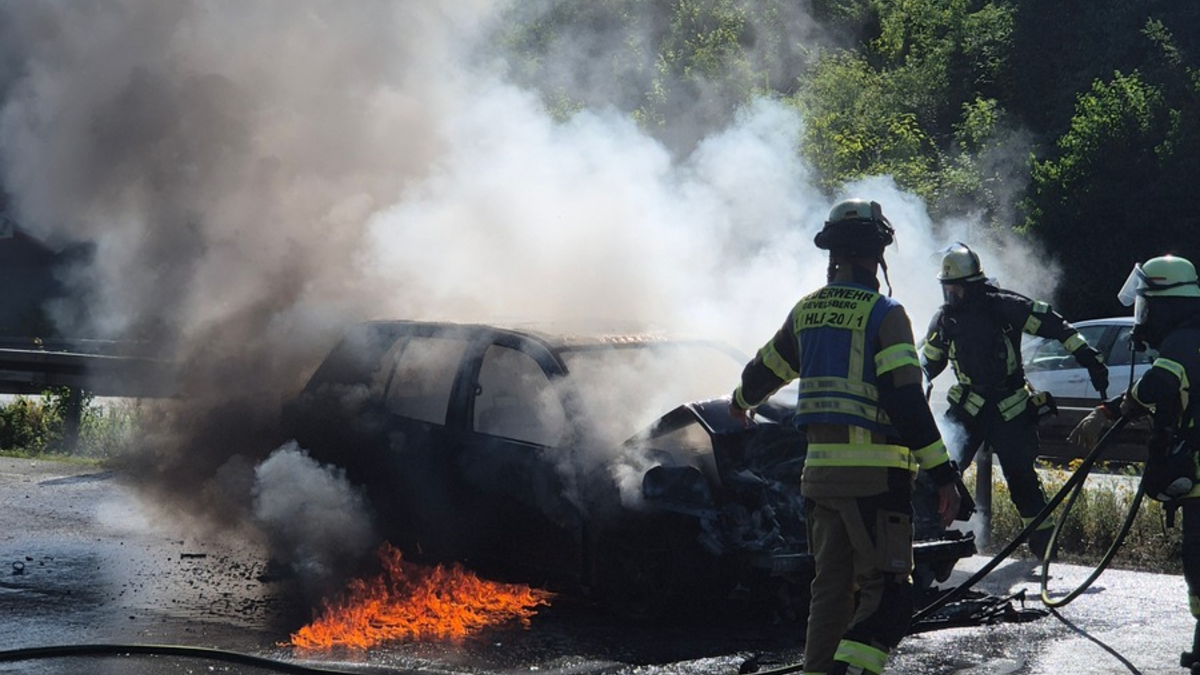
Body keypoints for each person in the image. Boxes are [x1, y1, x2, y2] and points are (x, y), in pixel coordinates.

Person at [730, 198, 962, 675]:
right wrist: (943, 474)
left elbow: (763, 373)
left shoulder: (807, 312)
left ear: (832, 253)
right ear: (879, 254)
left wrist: (740, 403)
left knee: (831, 592)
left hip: (820, 481)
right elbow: (905, 400)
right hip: (875, 480)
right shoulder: (886, 314)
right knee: (889, 595)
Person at [919, 242, 1108, 560]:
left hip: (1011, 408)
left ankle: (1044, 548)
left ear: (972, 285)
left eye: (954, 288)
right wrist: (912, 383)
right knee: (940, 472)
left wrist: (1089, 356)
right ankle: (926, 541)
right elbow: (929, 362)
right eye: (946, 288)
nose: (949, 294)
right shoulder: (945, 319)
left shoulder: (1005, 306)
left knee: (1021, 477)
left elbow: (1055, 325)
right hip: (968, 407)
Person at [1069, 254, 1200, 669]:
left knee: (1199, 561)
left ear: (1166, 304)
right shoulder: (1191, 333)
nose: (1142, 318)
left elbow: (1160, 383)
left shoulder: (1183, 340)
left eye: (1146, 306)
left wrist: (1111, 411)